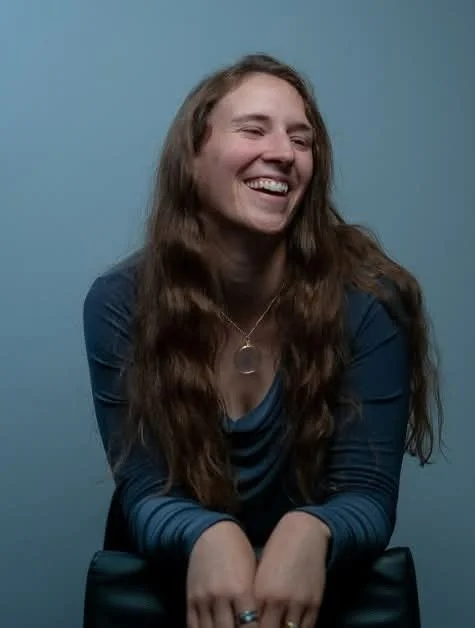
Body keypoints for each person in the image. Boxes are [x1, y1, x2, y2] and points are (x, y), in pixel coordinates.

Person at [83, 53, 442, 628]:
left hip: (325, 603)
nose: (283, 152)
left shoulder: (371, 301)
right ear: (192, 160)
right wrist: (206, 533)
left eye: (301, 140)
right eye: (253, 129)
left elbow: (369, 493)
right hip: (172, 599)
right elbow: (145, 490)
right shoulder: (121, 302)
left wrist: (312, 528)